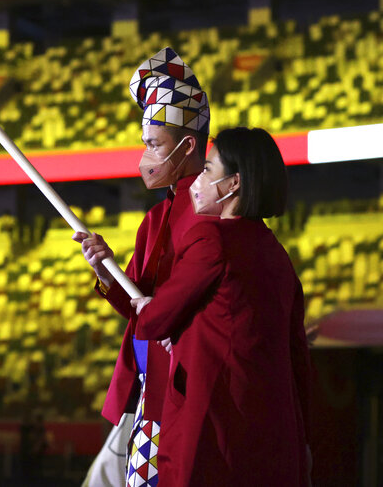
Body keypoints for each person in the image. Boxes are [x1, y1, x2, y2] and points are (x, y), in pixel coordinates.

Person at [130, 127, 312, 486]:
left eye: (208, 169)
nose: (198, 178)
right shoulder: (277, 254)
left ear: (233, 184)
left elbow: (153, 321)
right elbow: (294, 355)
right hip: (272, 436)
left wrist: (145, 307)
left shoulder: (210, 237)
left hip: (212, 431)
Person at [75, 47, 211, 487]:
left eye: (154, 144)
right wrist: (105, 270)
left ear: (188, 144)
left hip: (181, 393)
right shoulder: (154, 218)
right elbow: (139, 306)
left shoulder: (213, 216)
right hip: (145, 394)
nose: (145, 156)